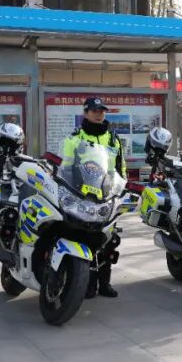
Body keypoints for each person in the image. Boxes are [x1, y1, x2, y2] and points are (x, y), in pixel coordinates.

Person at [63, 97, 126, 299]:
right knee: (84, 239)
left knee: (108, 241)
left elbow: (120, 167)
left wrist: (121, 189)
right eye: (95, 111)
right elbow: (66, 167)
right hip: (83, 196)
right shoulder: (75, 137)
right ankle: (87, 284)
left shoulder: (113, 138)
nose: (99, 114)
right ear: (86, 113)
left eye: (102, 111)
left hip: (107, 196)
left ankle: (104, 283)